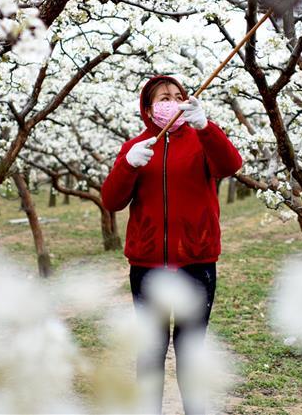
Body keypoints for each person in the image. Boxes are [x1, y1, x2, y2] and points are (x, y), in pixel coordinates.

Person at [101, 74, 243, 415]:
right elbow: (111, 200)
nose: (171, 101)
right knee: (150, 351)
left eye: (178, 95)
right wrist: (127, 165)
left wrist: (206, 127)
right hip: (148, 265)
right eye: (163, 97)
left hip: (196, 261)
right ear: (149, 109)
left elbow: (230, 165)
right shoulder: (137, 147)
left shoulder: (201, 139)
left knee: (191, 349)